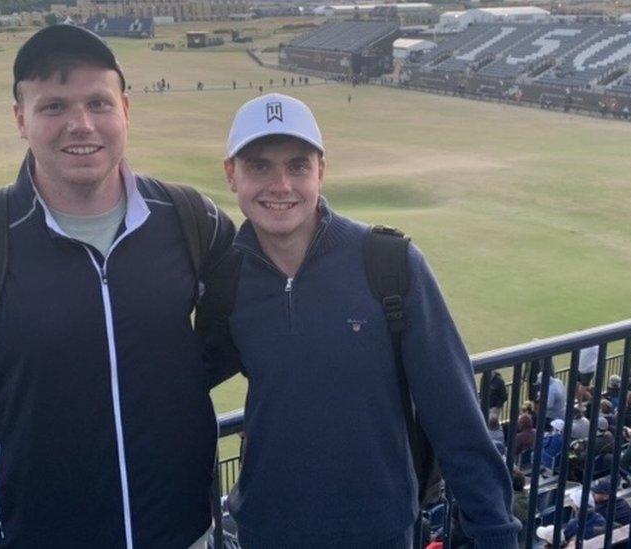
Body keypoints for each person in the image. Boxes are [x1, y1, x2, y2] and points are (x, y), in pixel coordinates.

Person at [0, 25, 238, 548]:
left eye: (98, 103)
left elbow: (231, 339)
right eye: (53, 107)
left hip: (187, 534)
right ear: (20, 119)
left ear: (126, 109)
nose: (81, 125)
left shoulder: (194, 220)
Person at [220, 94, 520, 548]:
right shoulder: (227, 278)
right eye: (259, 166)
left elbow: (456, 417)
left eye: (298, 166)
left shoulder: (391, 264)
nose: (280, 184)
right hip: (266, 528)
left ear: (321, 171)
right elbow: (173, 385)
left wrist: (497, 534)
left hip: (379, 531)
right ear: (231, 174)